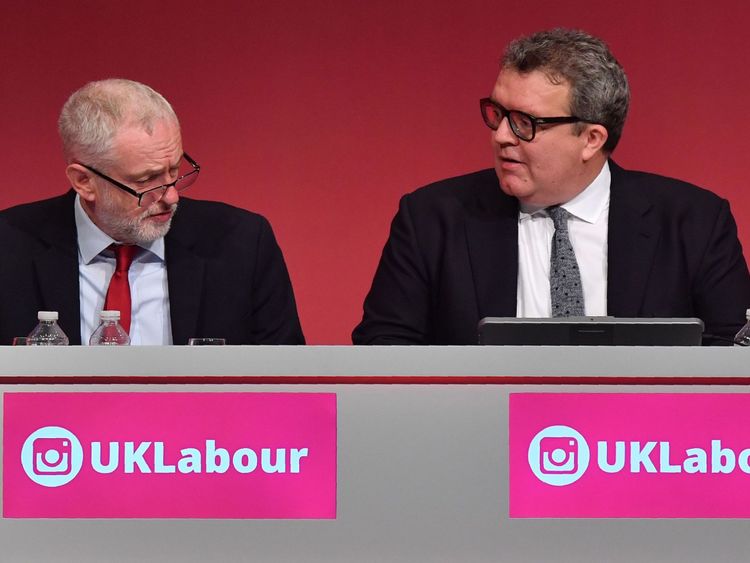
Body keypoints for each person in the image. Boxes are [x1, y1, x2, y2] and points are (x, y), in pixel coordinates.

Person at [353, 28, 750, 345]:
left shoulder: (695, 223)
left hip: (642, 442)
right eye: (498, 114)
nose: (502, 136)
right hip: (479, 438)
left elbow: (732, 354)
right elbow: (384, 348)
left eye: (526, 122)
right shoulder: (432, 219)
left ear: (591, 139)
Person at [0, 78, 304, 345]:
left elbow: (287, 387)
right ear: (84, 182)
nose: (170, 196)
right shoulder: (8, 248)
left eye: (174, 171)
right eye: (146, 181)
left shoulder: (243, 243)